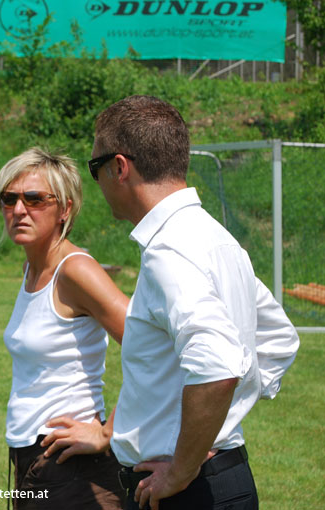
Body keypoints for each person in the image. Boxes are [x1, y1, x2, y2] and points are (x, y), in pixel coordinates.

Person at [90, 95, 300, 510]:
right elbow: (279, 339)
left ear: (120, 167)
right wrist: (221, 421)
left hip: (187, 490)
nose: (96, 182)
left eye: (95, 168)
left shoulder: (170, 250)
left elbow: (217, 365)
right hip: (219, 477)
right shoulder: (216, 238)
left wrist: (182, 468)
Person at [0, 147, 128, 510]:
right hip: (34, 457)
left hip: (73, 468)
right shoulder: (32, 268)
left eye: (34, 199)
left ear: (65, 209)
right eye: (9, 199)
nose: (19, 210)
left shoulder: (74, 270)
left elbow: (151, 344)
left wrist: (109, 432)